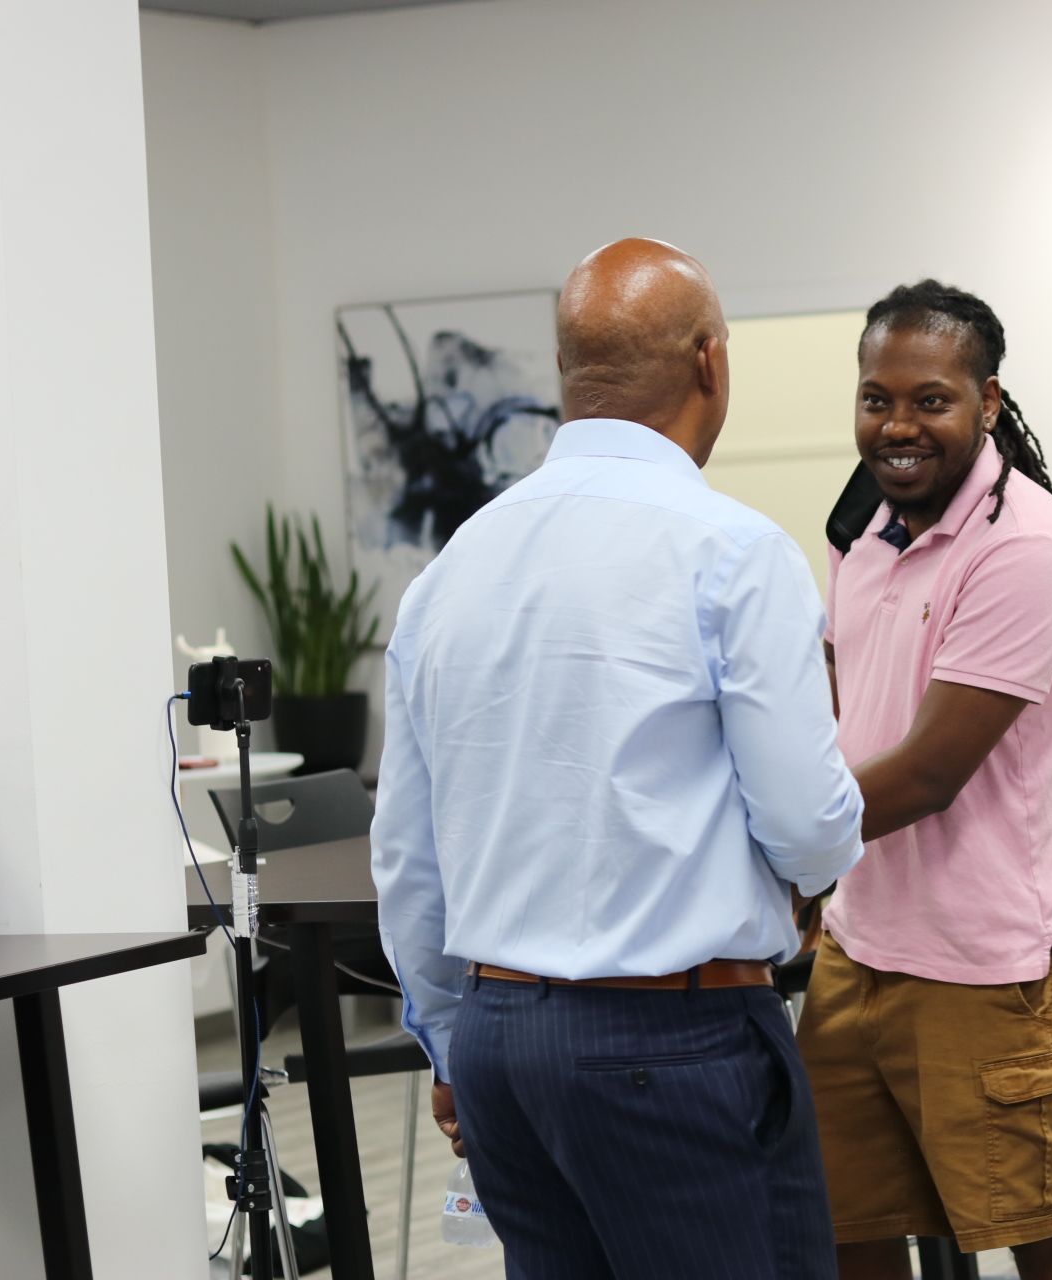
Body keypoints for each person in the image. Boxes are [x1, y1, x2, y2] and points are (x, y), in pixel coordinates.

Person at [370, 238, 864, 1279]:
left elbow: (408, 858)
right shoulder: (733, 552)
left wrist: (455, 1044)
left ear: (570, 378)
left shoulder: (450, 572)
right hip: (674, 1042)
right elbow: (808, 821)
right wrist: (811, 873)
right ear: (710, 364)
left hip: (503, 1045)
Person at [797, 280, 1052, 1279]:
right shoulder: (864, 534)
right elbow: (847, 722)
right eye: (875, 397)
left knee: (1043, 1241)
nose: (897, 423)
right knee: (851, 1234)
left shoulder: (1025, 545)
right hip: (859, 946)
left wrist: (777, 851)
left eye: (931, 399)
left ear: (989, 403)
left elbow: (929, 771)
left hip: (987, 964)